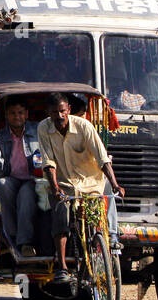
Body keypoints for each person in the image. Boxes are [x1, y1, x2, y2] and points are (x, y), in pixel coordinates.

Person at [38, 92, 125, 284]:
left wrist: (115, 183)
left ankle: (103, 242)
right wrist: (55, 188)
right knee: (61, 215)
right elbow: (48, 161)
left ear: (68, 110)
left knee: (96, 216)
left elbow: (102, 158)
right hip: (63, 183)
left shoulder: (84, 126)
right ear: (48, 113)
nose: (59, 116)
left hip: (91, 182)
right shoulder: (44, 128)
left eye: (62, 111)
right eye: (55, 112)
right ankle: (62, 266)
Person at [0, 98, 42, 256]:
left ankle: (24, 243)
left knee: (26, 195)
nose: (17, 117)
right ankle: (11, 236)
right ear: (7, 116)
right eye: (13, 114)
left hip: (31, 178)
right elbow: (0, 170)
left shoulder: (37, 131)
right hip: (12, 177)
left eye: (20, 113)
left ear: (26, 114)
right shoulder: (0, 136)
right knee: (1, 184)